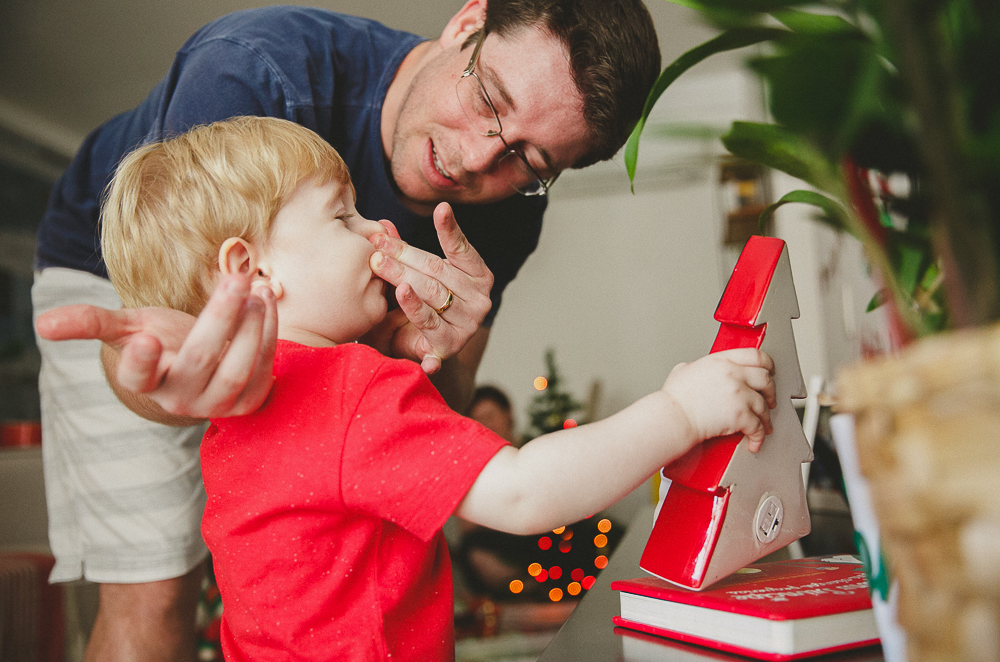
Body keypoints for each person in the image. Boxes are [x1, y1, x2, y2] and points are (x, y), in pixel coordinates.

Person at [32, 0, 662, 658]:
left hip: (305, 314)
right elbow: (163, 342)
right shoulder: (253, 74)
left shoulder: (508, 211)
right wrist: (157, 381)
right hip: (116, 272)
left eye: (530, 160)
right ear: (467, 24)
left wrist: (430, 358)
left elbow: (436, 415)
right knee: (155, 581)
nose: (480, 159)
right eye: (490, 99)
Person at [68, 114, 776, 662]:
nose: (376, 227)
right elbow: (524, 492)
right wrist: (680, 410)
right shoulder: (348, 390)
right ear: (251, 270)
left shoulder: (239, 418)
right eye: (341, 215)